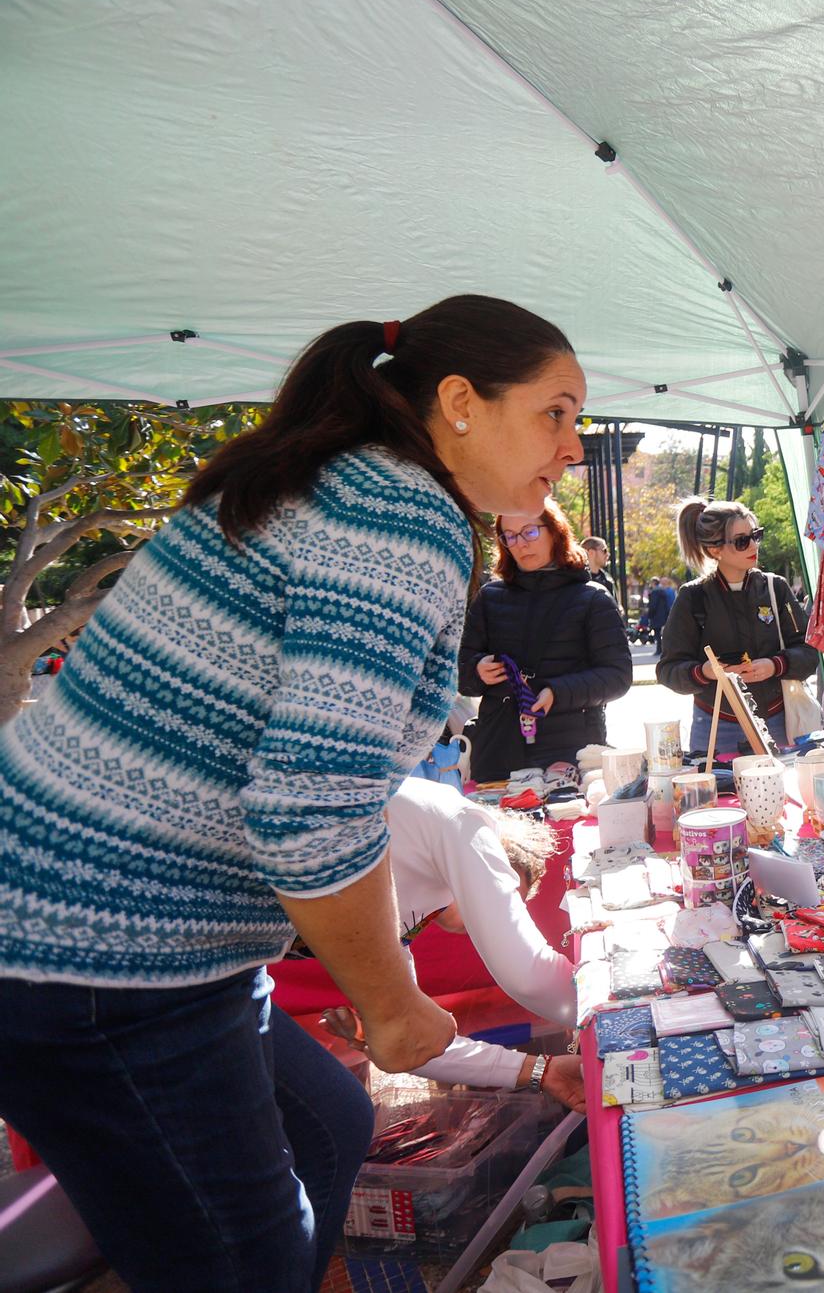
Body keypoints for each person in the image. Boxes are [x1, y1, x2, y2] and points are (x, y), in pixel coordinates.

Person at [0, 295, 584, 1290]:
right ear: (458, 402)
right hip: (100, 951)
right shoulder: (398, 517)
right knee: (244, 1261)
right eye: (557, 413)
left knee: (331, 1124)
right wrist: (390, 1003)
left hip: (129, 937)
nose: (571, 449)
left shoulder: (342, 480)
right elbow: (309, 807)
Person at [321, 778, 586, 1112]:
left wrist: (541, 1070)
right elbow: (531, 978)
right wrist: (611, 1007)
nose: (483, 923)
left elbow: (414, 1044)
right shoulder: (460, 821)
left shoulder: (398, 915)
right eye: (501, 901)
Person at [460, 499, 633, 784]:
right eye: (510, 536)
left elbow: (617, 676)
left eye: (530, 532)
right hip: (498, 750)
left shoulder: (593, 598)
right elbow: (458, 670)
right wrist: (477, 670)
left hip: (571, 749)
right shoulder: (489, 598)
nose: (520, 544)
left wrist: (558, 692)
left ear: (555, 531)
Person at [658, 497, 818, 759]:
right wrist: (706, 672)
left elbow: (809, 652)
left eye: (756, 535)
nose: (754, 545)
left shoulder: (775, 588)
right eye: (742, 540)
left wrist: (775, 665)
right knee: (719, 799)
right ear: (714, 550)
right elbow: (668, 670)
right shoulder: (692, 596)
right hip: (716, 725)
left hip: (777, 719)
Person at [581, 534, 618, 601]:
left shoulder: (608, 580)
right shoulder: (578, 580)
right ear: (591, 552)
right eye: (604, 550)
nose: (608, 554)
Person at [646, 574, 677, 646]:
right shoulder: (665, 591)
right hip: (664, 614)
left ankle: (659, 648)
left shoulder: (655, 592)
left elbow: (653, 605)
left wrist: (649, 614)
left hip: (657, 615)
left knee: (657, 632)